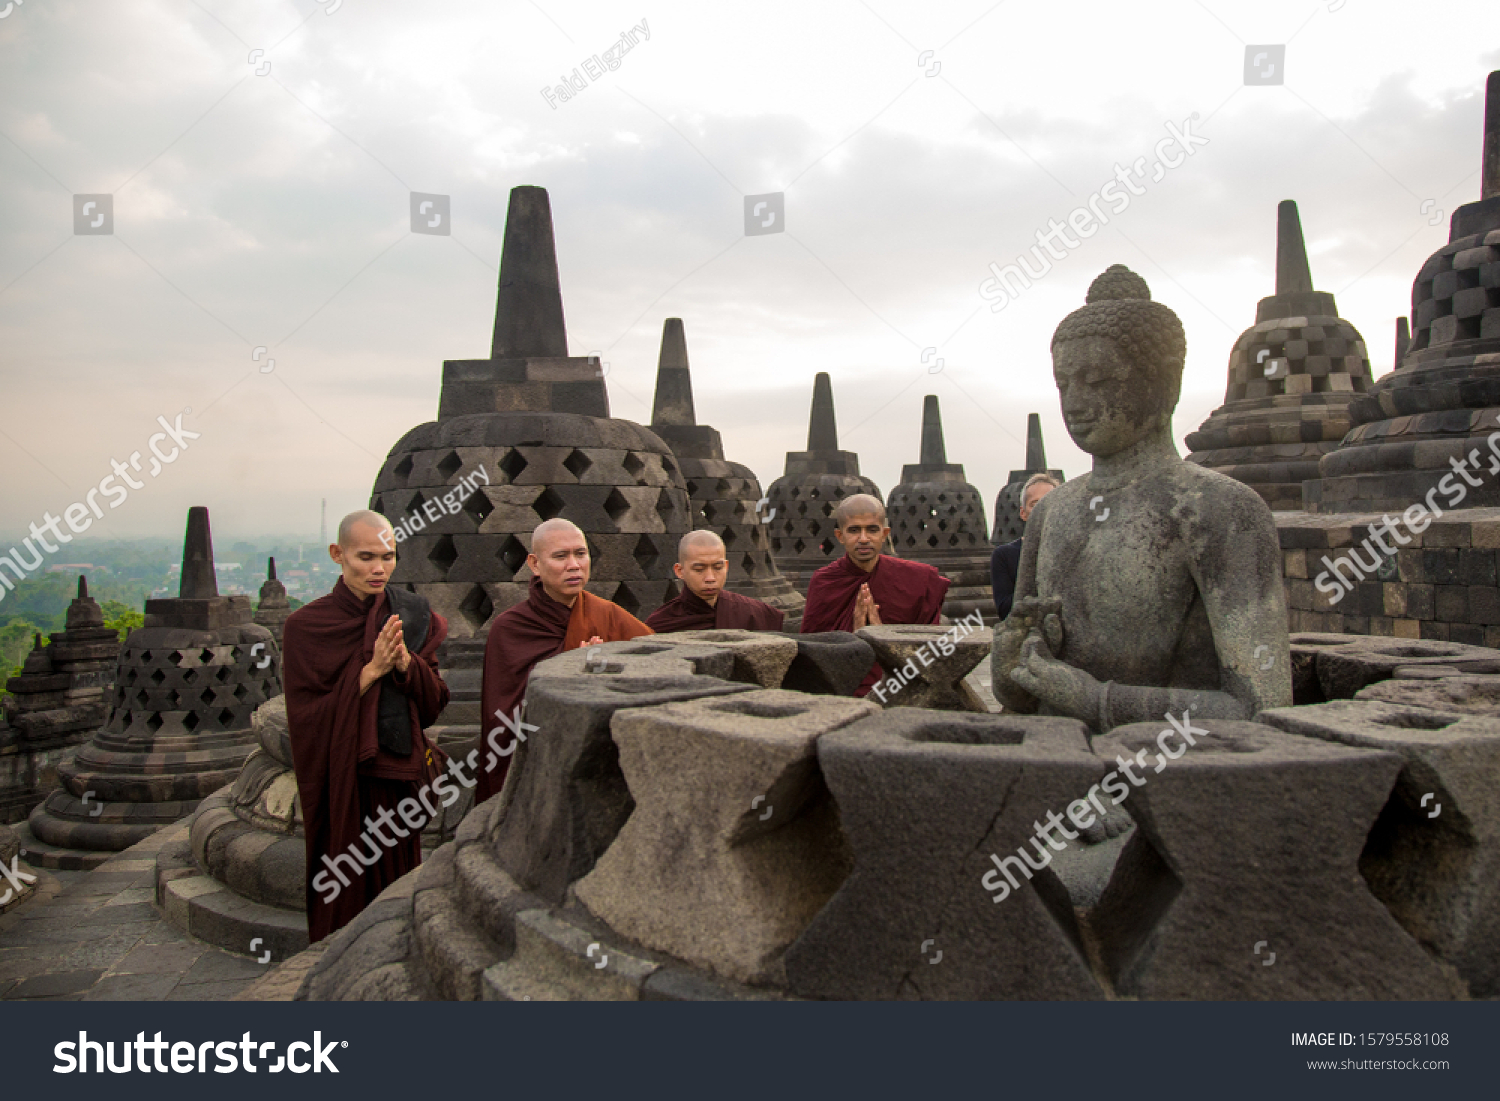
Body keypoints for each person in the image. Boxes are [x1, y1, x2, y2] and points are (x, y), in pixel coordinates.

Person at [993, 264, 1291, 731]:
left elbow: (1261, 707)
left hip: (1168, 781)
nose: (1074, 401)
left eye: (1096, 380)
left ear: (1166, 382)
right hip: (1052, 772)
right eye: (1063, 383)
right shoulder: (1052, 512)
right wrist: (1010, 661)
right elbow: (1020, 694)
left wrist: (1097, 702)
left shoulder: (1219, 510)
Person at [283, 509, 450, 942]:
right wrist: (369, 671)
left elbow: (434, 705)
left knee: (396, 889)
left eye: (389, 557)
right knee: (346, 885)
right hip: (344, 779)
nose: (379, 569)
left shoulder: (410, 616)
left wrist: (406, 666)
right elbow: (306, 719)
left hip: (393, 777)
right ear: (337, 554)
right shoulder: (306, 627)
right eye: (365, 557)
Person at [476, 518, 652, 803]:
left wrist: (609, 672)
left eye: (580, 554)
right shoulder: (509, 628)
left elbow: (659, 668)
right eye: (560, 556)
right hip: (539, 766)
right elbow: (504, 719)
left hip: (598, 762)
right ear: (534, 564)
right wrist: (567, 670)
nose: (574, 565)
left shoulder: (608, 615)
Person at [800, 493, 950, 695]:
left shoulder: (918, 578)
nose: (863, 539)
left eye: (872, 529)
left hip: (900, 680)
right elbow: (812, 650)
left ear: (884, 533)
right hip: (842, 684)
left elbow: (928, 648)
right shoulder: (825, 582)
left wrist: (884, 638)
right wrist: (852, 639)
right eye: (854, 530)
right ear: (840, 536)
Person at [645, 530, 785, 632]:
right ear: (680, 571)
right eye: (699, 569)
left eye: (718, 567)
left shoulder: (756, 613)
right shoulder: (661, 623)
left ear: (726, 566)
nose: (710, 578)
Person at [991, 473, 1060, 620]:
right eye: (1035, 505)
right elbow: (1005, 610)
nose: (1043, 510)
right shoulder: (1004, 556)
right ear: (1023, 513)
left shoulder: (1069, 551)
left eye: (1049, 503)